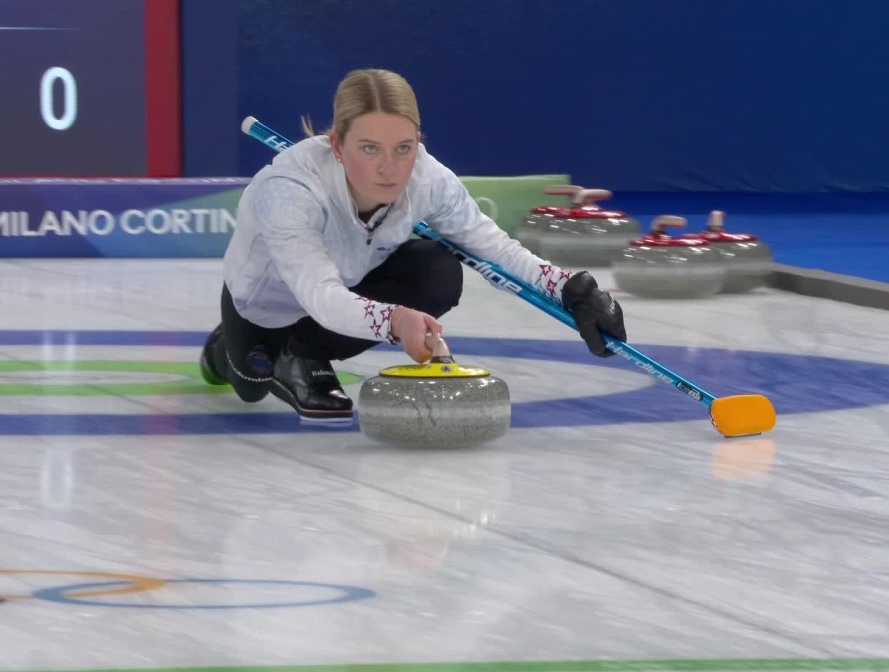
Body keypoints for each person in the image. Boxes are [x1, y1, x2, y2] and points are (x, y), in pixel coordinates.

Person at [200, 68, 626, 422]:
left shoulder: (427, 177)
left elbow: (492, 246)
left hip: (347, 286)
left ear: (418, 141)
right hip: (268, 304)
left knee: (436, 269)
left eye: (403, 148)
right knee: (249, 387)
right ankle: (223, 351)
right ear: (337, 144)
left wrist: (572, 288)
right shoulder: (290, 191)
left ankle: (303, 353)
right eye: (369, 148)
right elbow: (321, 296)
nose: (390, 168)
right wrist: (394, 321)